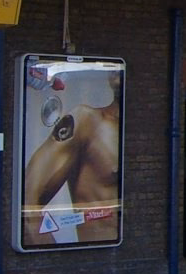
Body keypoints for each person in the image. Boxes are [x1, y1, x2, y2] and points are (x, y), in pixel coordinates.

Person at [22, 68, 123, 246]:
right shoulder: (88, 121)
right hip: (96, 256)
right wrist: (55, 258)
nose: (115, 74)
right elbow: (27, 202)